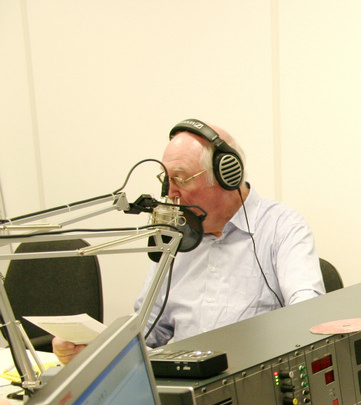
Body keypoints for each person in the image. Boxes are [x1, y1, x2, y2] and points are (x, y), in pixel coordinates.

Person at [54, 120, 324, 362]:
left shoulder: (281, 226)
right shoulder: (175, 235)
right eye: (166, 179)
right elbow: (146, 332)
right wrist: (95, 350)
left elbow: (308, 314)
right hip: (184, 383)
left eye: (181, 179)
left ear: (226, 176)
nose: (170, 193)